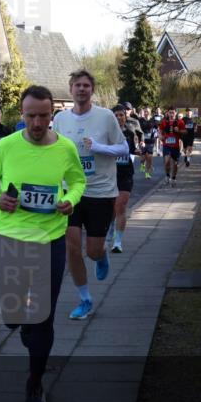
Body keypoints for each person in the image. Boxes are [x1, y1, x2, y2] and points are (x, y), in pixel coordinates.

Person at [0, 84, 86, 402]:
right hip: (10, 240)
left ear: (51, 114)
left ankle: (35, 384)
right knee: (13, 316)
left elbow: (78, 180)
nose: (37, 123)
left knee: (44, 318)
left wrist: (69, 200)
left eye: (43, 116)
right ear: (21, 115)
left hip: (49, 242)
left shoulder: (65, 149)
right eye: (30, 116)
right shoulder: (6, 146)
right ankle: (20, 322)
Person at [53, 70, 128, 320]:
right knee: (72, 247)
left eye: (86, 85)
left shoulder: (106, 117)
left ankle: (101, 254)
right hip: (71, 193)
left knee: (92, 251)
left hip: (101, 192)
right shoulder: (61, 119)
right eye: (77, 85)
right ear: (71, 89)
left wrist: (98, 148)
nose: (81, 89)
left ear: (92, 90)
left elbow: (123, 148)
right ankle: (85, 299)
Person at [111, 104, 142, 253]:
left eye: (121, 115)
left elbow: (131, 150)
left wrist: (138, 152)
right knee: (110, 209)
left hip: (125, 173)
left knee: (120, 206)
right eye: (115, 115)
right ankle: (110, 233)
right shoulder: (106, 134)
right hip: (109, 175)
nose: (118, 118)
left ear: (125, 117)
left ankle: (118, 242)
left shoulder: (129, 133)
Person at [159, 106, 187, 187]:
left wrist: (179, 130)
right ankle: (167, 176)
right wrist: (160, 136)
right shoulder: (164, 122)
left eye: (173, 112)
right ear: (168, 113)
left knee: (175, 164)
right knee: (167, 161)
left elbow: (185, 131)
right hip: (166, 145)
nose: (171, 114)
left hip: (175, 146)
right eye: (170, 112)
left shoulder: (180, 122)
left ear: (175, 113)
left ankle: (173, 178)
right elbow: (160, 131)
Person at [138, 107, 157, 178]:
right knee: (143, 158)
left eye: (147, 111)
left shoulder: (153, 120)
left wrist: (156, 137)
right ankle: (142, 164)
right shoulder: (140, 120)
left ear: (150, 112)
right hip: (143, 141)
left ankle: (147, 173)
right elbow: (138, 130)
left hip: (151, 141)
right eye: (145, 111)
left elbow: (156, 129)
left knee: (149, 157)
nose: (146, 113)